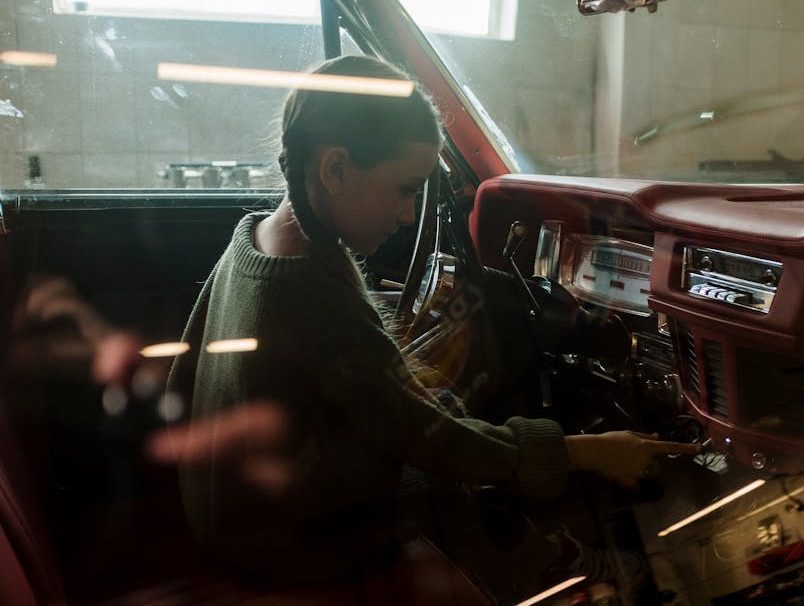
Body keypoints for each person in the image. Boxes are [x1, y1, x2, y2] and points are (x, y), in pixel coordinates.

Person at [164, 54, 699, 596]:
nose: (408, 213)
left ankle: (548, 556)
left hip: (230, 512)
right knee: (451, 474)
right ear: (336, 169)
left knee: (443, 431)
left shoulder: (256, 240)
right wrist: (588, 450)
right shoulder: (314, 299)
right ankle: (554, 567)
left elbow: (199, 371)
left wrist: (370, 316)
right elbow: (433, 438)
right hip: (290, 546)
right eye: (406, 188)